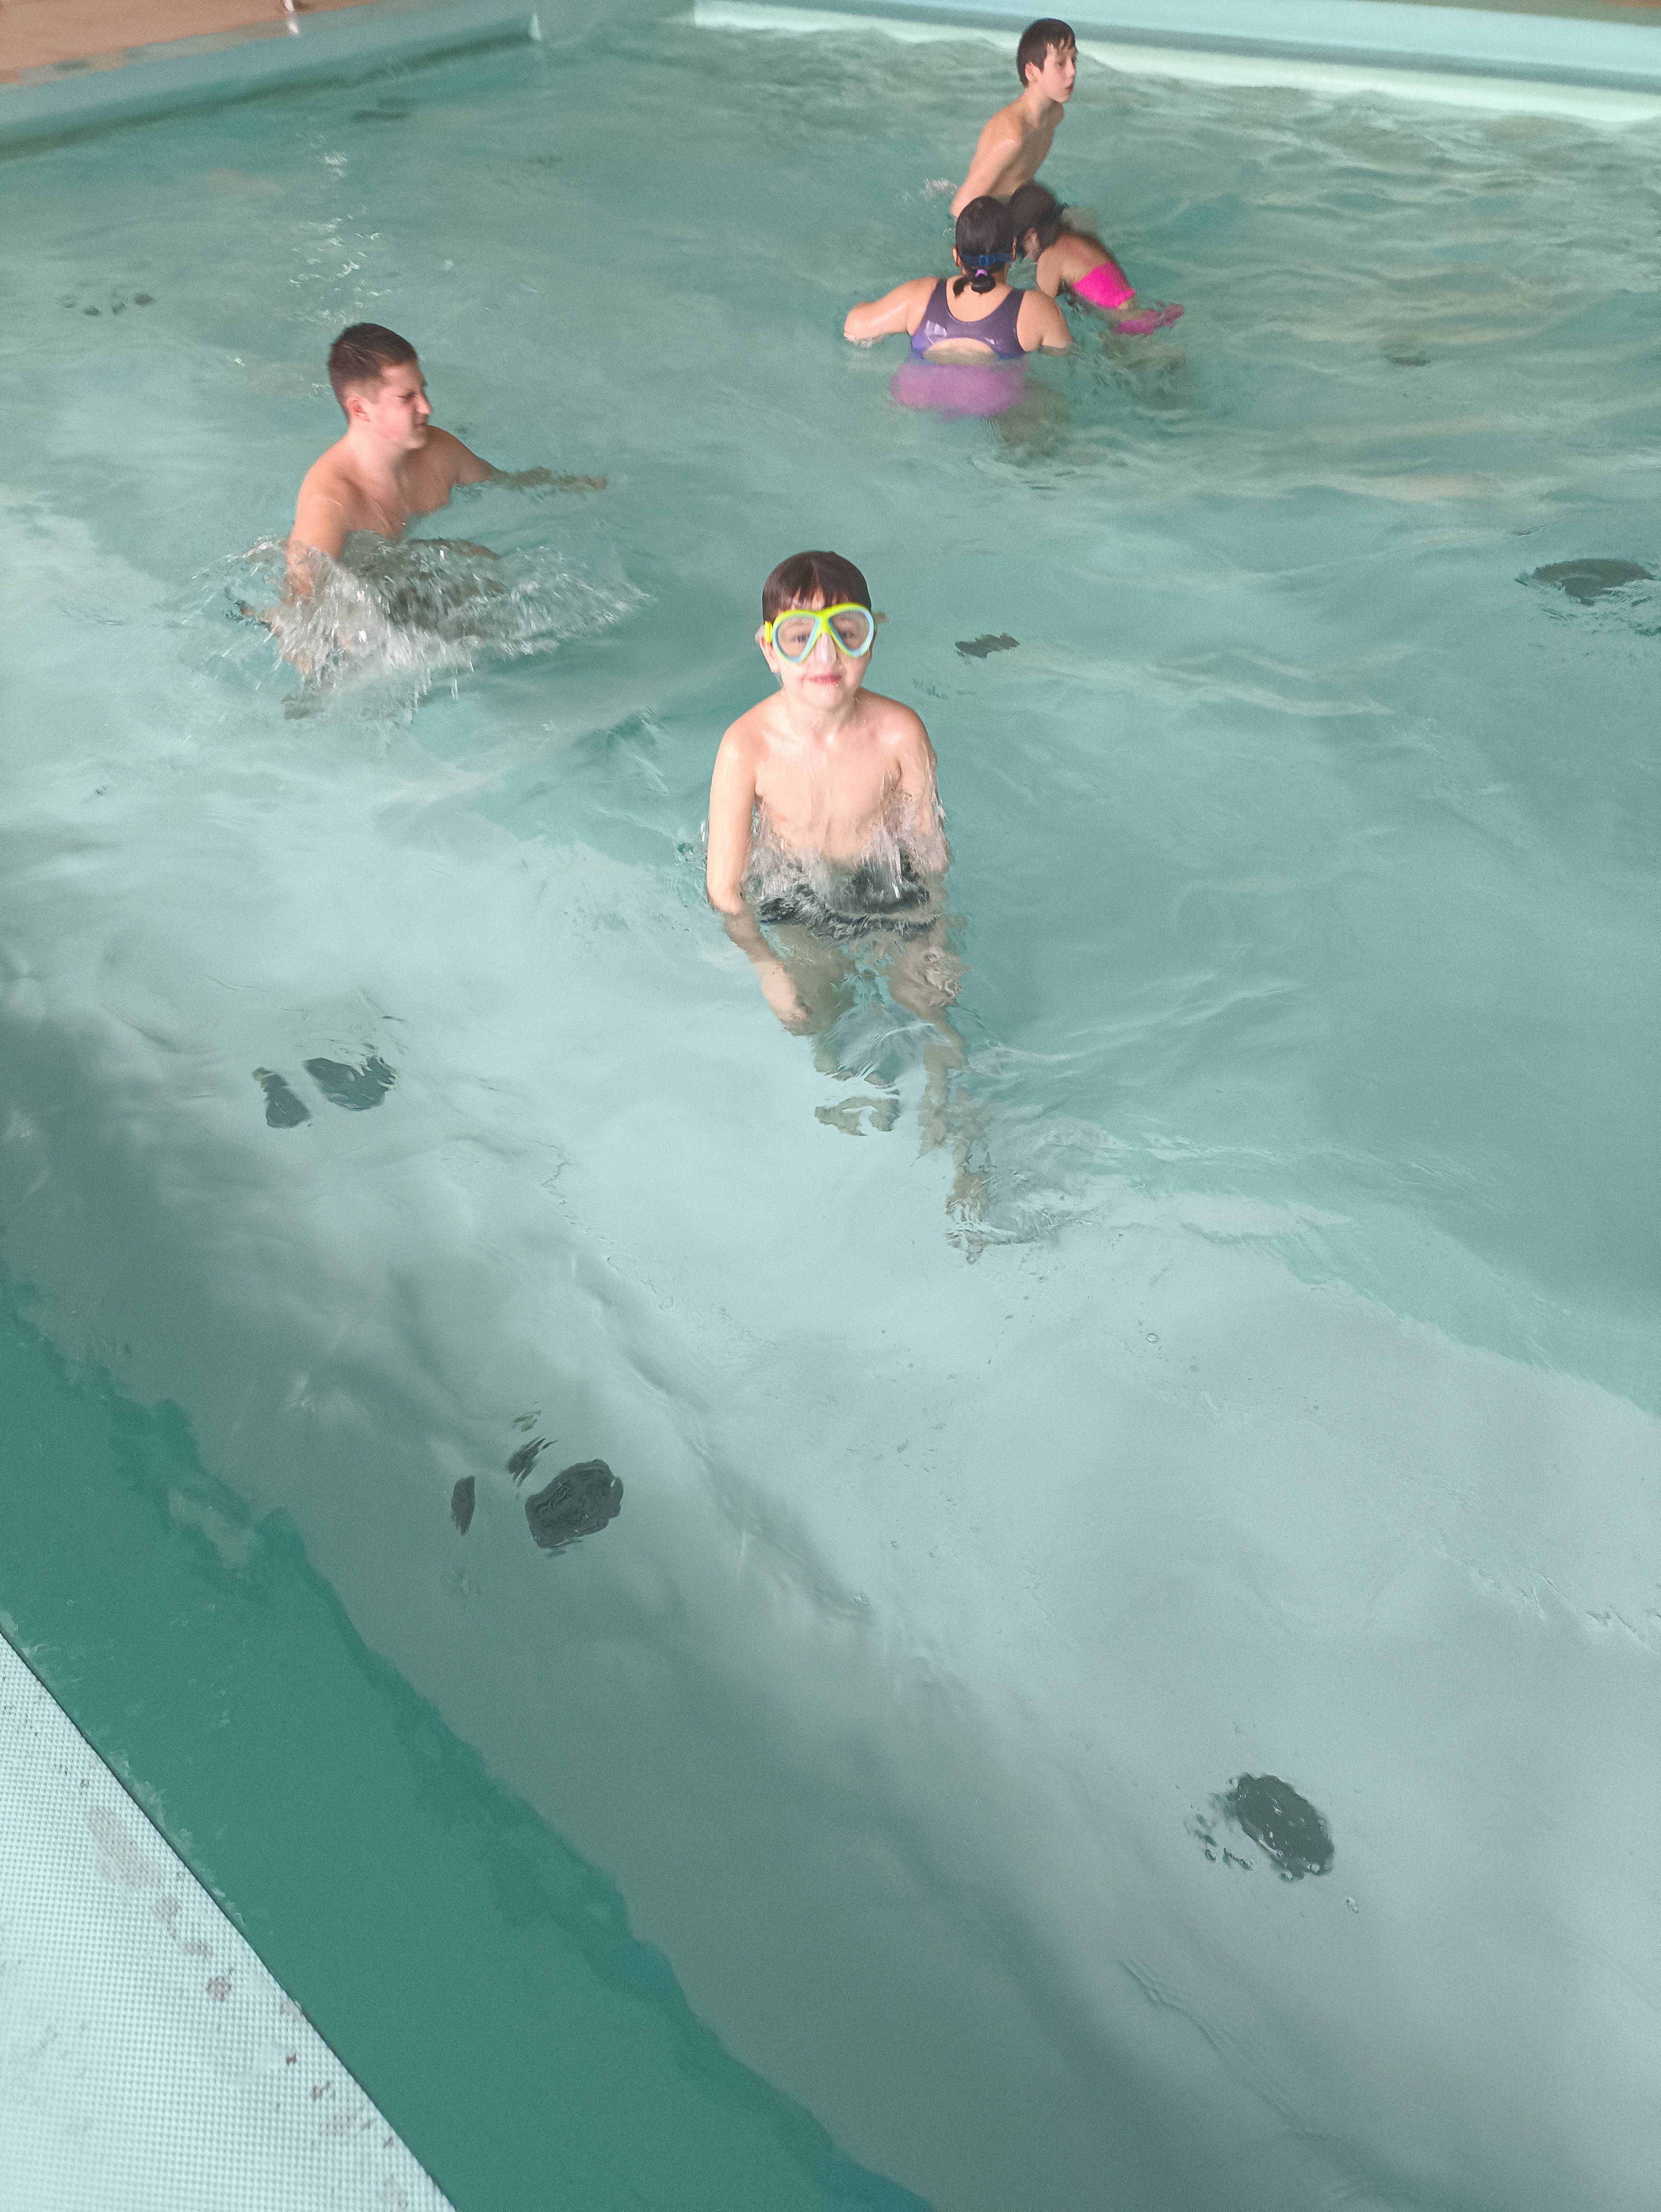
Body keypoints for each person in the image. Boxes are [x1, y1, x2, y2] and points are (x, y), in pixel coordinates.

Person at [706, 551, 966, 1135]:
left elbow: (928, 854)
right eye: (800, 638)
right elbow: (724, 887)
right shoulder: (746, 746)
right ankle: (851, 1082)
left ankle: (946, 1107)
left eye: (847, 633)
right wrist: (763, 964)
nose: (825, 656)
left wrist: (935, 937)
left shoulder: (899, 732)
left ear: (871, 640)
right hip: (795, 893)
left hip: (885, 883)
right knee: (809, 1012)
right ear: (770, 649)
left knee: (931, 1001)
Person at [286, 322, 602, 593]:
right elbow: (299, 603)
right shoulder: (329, 503)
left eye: (422, 391)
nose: (427, 407)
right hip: (355, 595)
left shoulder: (439, 452)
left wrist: (570, 484)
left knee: (481, 562)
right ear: (360, 409)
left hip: (397, 567)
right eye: (408, 397)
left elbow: (505, 483)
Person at [844, 198, 1069, 416]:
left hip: (916, 399)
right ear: (1012, 250)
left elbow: (855, 327)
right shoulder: (1035, 308)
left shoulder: (920, 296)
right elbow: (1067, 361)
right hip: (993, 402)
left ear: (956, 255)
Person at [1007, 182, 1183, 335]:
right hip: (1139, 311)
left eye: (1022, 247)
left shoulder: (1050, 258)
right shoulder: (1080, 238)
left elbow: (1041, 311)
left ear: (1031, 236)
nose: (1026, 255)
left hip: (1123, 324)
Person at [950, 19, 1075, 218]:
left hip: (1016, 207)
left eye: (1073, 60)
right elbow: (961, 206)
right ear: (1031, 71)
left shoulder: (1054, 115)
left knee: (1085, 220)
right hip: (989, 217)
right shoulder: (1012, 137)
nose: (1072, 72)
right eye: (1061, 63)